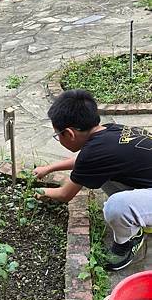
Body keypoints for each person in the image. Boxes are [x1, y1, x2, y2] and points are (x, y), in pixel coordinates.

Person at [33, 89, 152, 271]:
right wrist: (50, 168)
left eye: (58, 136)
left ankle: (129, 240)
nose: (59, 139)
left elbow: (65, 194)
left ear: (69, 134)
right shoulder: (112, 130)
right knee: (98, 173)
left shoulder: (94, 153)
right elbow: (84, 163)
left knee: (116, 207)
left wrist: (40, 192)